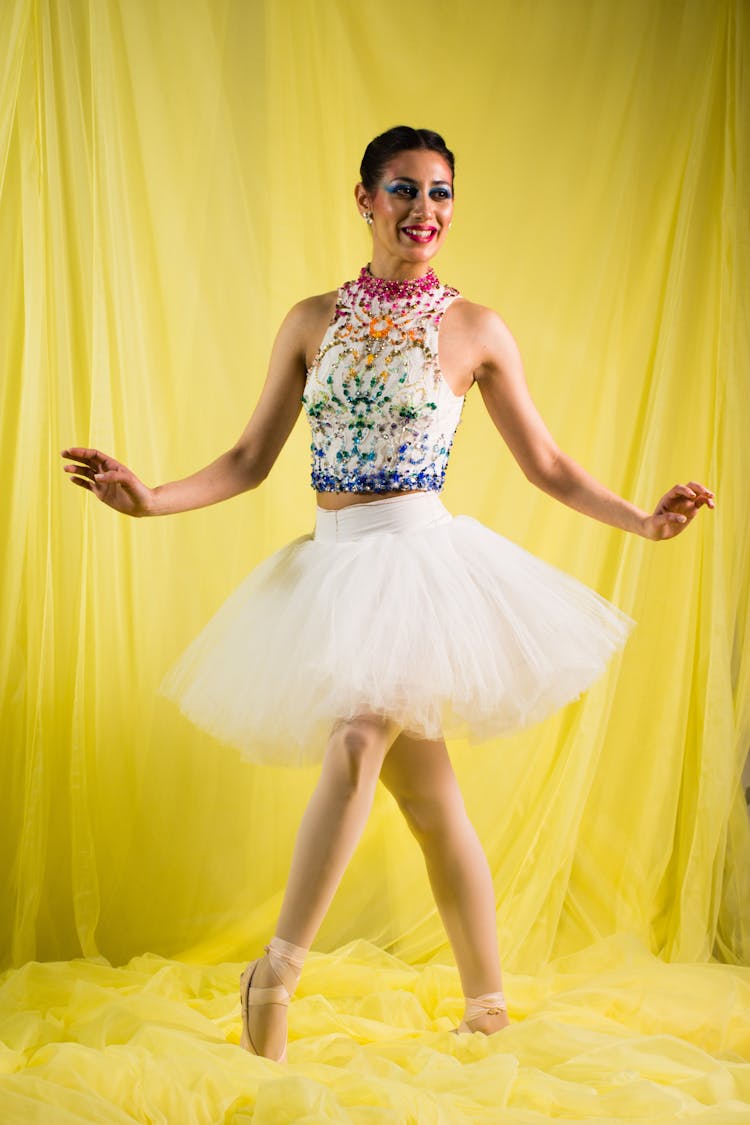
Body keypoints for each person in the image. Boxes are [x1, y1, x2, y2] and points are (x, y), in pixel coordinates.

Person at [62, 125, 714, 1063]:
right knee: (430, 798)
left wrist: (642, 522)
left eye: (442, 192)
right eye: (404, 190)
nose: (425, 211)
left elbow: (549, 463)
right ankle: (486, 1003)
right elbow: (251, 460)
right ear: (363, 198)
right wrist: (150, 499)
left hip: (419, 566)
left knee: (363, 740)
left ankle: (274, 975)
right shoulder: (310, 320)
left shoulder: (474, 328)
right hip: (331, 569)